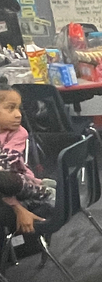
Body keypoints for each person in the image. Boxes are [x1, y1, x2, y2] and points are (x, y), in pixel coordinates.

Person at [0, 87, 54, 235]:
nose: (18, 115)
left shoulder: (18, 133)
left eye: (19, 109)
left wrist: (17, 207)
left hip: (20, 189)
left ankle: (46, 191)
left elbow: (6, 174)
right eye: (10, 109)